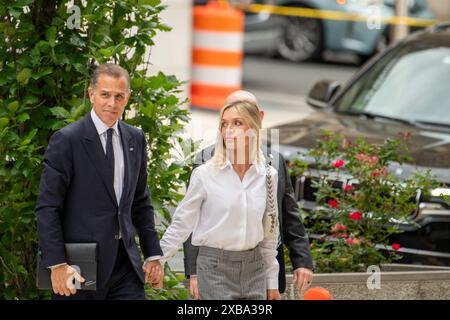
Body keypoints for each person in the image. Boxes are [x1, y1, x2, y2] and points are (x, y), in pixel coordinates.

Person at [35, 63, 163, 300]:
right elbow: (47, 207)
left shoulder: (135, 138)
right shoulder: (67, 140)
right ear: (91, 93)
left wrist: (153, 254)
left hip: (125, 268)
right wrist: (56, 264)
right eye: (105, 94)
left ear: (128, 98)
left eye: (119, 96)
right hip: (79, 267)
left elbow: (140, 201)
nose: (112, 103)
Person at [184, 90, 314, 300]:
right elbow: (192, 221)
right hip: (216, 272)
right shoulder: (206, 159)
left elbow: (288, 214)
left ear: (258, 117)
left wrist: (302, 261)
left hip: (262, 272)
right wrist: (194, 272)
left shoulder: (275, 160)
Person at [159, 100, 281, 300]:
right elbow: (182, 223)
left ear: (254, 128)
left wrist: (272, 281)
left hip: (254, 270)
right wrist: (158, 259)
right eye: (224, 124)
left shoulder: (268, 175)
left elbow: (270, 234)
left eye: (237, 123)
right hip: (214, 269)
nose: (229, 130)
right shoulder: (205, 175)